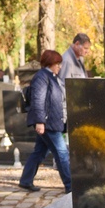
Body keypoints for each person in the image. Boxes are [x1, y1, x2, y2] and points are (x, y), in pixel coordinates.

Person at [19, 50, 70, 193]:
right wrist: (40, 122)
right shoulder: (42, 77)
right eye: (57, 64)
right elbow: (38, 100)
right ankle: (71, 186)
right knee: (62, 153)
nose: (59, 66)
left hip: (51, 122)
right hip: (48, 123)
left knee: (39, 152)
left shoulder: (51, 77)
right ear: (50, 63)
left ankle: (25, 180)